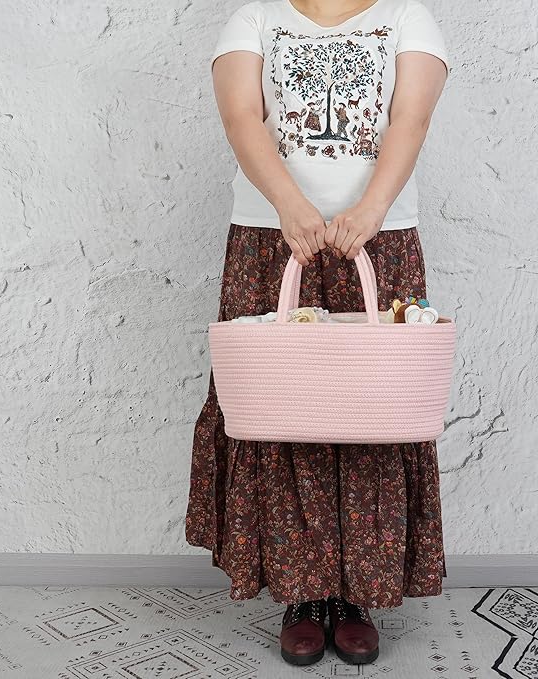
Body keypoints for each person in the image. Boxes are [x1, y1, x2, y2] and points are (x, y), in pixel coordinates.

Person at [185, 0, 450, 667]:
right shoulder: (254, 20)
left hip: (379, 239)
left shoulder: (407, 18)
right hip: (270, 239)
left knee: (372, 413)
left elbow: (410, 120)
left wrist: (371, 208)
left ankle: (356, 594)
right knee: (280, 412)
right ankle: (301, 595)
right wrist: (291, 206)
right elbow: (241, 119)